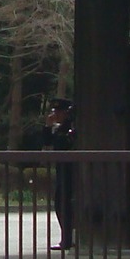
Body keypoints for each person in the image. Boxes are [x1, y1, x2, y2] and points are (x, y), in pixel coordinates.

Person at [43, 97, 77, 250]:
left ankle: (69, 238)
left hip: (71, 171)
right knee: (60, 202)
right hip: (61, 170)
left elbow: (65, 143)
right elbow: (47, 142)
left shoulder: (71, 128)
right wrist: (48, 126)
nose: (55, 114)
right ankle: (66, 237)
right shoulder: (59, 128)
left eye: (59, 111)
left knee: (66, 203)